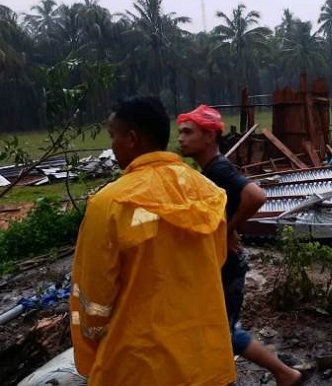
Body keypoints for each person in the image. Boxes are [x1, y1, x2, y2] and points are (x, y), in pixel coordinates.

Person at [70, 96, 235, 385]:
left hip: (140, 368)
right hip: (208, 362)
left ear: (131, 138)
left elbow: (94, 301)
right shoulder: (207, 192)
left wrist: (93, 354)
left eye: (113, 136)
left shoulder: (109, 203)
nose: (112, 145)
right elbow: (215, 262)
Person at [177, 104, 303, 386]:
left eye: (188, 132)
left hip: (228, 263)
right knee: (216, 328)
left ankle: (285, 373)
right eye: (180, 133)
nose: (181, 139)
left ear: (210, 136)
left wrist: (228, 229)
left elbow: (256, 196)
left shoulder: (218, 169)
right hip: (221, 261)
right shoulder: (209, 169)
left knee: (223, 330)